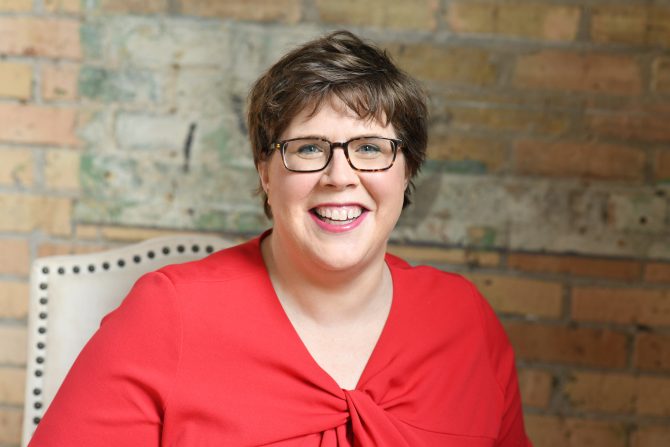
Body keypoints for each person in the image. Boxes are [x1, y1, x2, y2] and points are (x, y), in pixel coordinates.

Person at [29, 30, 532, 446]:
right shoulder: (167, 314)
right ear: (265, 172)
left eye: (371, 148)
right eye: (309, 148)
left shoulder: (464, 320)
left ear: (406, 171)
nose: (340, 175)